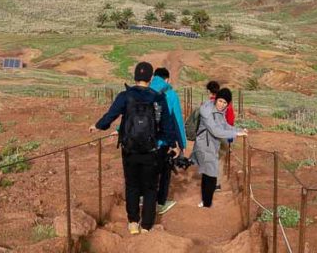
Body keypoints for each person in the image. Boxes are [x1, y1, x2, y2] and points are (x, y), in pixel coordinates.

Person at [91, 61, 181, 234]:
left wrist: (98, 126)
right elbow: (168, 124)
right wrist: (173, 144)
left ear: (135, 76)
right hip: (151, 151)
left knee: (132, 185)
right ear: (150, 78)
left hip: (129, 149)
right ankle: (146, 226)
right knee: (150, 188)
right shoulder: (158, 97)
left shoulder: (125, 96)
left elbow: (110, 116)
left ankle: (133, 222)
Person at [191, 87, 246, 208]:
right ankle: (207, 203)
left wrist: (238, 130)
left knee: (207, 174)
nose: (222, 104)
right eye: (220, 100)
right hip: (204, 146)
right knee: (211, 175)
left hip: (211, 145)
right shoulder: (207, 111)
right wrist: (235, 134)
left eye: (225, 102)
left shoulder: (221, 112)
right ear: (216, 99)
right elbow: (216, 131)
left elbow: (224, 125)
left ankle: (205, 202)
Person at [149, 67, 185, 216]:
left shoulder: (145, 91)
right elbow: (177, 120)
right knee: (164, 172)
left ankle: (144, 199)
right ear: (167, 79)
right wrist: (181, 144)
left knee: (148, 172)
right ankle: (160, 203)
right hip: (163, 142)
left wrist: (119, 130)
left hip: (146, 141)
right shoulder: (171, 94)